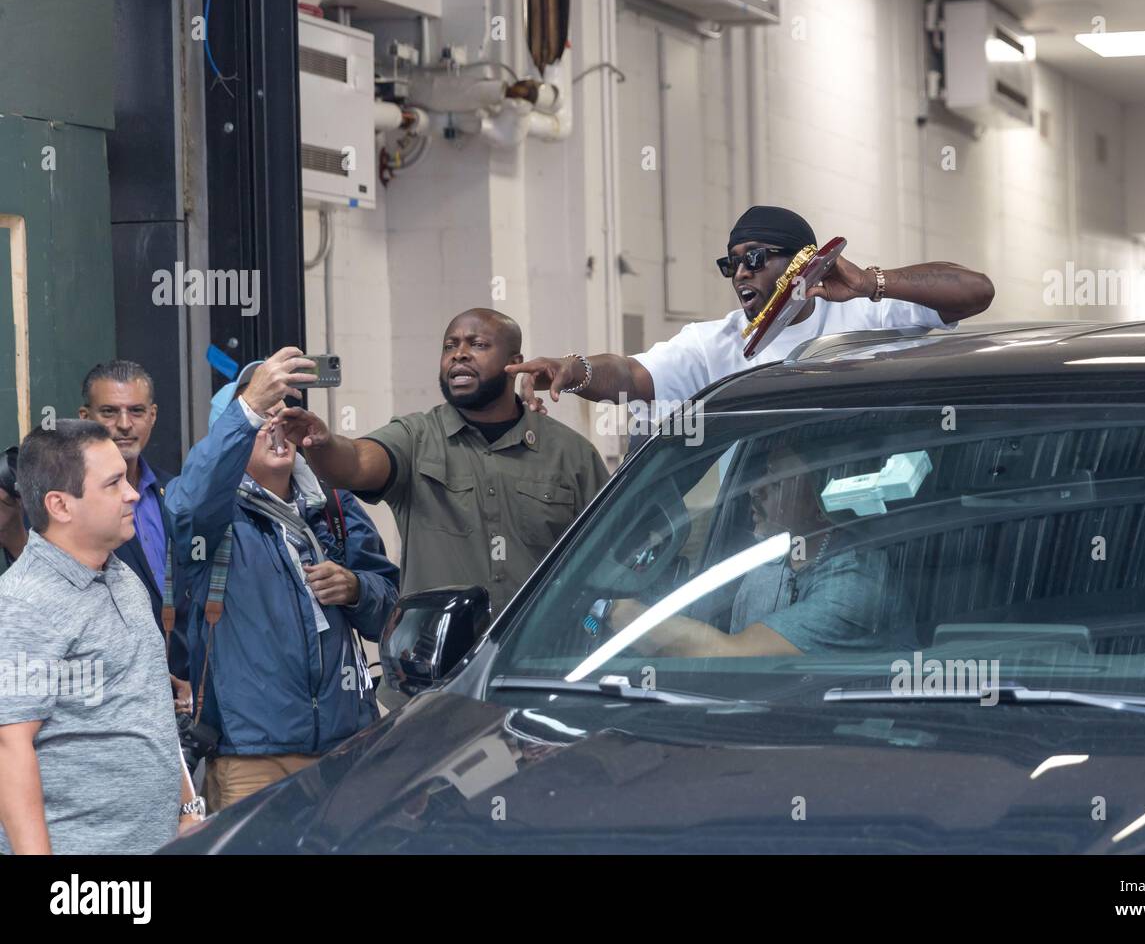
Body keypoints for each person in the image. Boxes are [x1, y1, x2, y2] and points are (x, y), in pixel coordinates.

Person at [165, 350, 400, 811]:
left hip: (344, 745)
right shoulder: (214, 515)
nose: (276, 428)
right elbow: (186, 507)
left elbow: (390, 609)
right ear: (231, 436)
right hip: (251, 754)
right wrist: (247, 406)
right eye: (261, 417)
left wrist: (355, 588)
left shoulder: (332, 504)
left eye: (284, 414)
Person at [273, 309, 609, 614]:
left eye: (477, 344)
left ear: (515, 362)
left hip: (534, 666)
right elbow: (356, 463)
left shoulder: (570, 454)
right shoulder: (416, 437)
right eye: (450, 347)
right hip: (435, 672)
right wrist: (323, 444)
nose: (459, 354)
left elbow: (608, 555)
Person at [507, 205, 995, 414]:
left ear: (801, 261)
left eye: (756, 258)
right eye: (732, 263)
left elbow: (977, 291)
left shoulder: (871, 313)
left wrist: (870, 282)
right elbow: (631, 375)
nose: (742, 272)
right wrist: (577, 371)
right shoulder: (715, 345)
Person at [0, 421, 200, 854]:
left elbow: (150, 708)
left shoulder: (122, 574)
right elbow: (9, 747)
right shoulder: (24, 604)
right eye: (113, 484)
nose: (132, 494)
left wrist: (189, 810)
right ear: (61, 505)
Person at [603, 440, 915, 656]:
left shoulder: (856, 586)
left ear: (822, 503)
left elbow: (732, 657)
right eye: (765, 473)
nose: (755, 489)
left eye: (777, 483)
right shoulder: (766, 566)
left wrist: (619, 613)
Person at [0, 361, 192, 709]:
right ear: (85, 416)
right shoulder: (56, 502)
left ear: (152, 415)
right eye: (109, 412)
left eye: (135, 411)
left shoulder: (174, 492)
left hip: (179, 698)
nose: (123, 424)